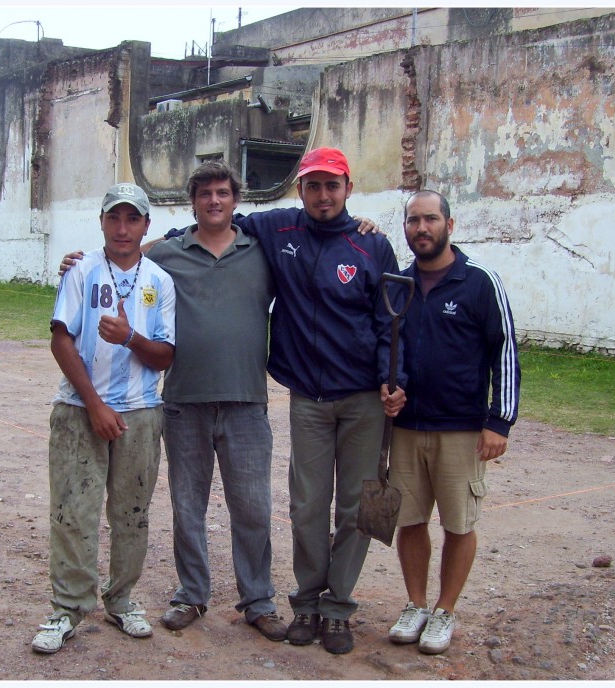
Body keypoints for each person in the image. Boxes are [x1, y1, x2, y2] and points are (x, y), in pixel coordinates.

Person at [58, 162, 287, 642]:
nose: (214, 201)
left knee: (253, 509)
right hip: (184, 401)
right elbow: (125, 256)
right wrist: (78, 263)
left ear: (235, 199)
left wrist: (364, 223)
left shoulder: (261, 252)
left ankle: (259, 600)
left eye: (223, 193)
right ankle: (191, 594)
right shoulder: (169, 253)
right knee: (188, 507)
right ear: (193, 202)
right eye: (205, 194)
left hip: (246, 400)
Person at [214, 148, 406, 655]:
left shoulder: (372, 245)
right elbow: (217, 223)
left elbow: (391, 322)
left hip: (363, 398)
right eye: (314, 185)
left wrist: (394, 379)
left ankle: (338, 608)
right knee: (306, 508)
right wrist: (146, 247)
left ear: (348, 187)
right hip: (309, 399)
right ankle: (305, 603)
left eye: (333, 185)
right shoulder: (279, 230)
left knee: (357, 508)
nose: (324, 195)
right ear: (301, 189)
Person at [31, 183, 176, 654]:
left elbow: (165, 356)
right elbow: (61, 339)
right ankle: (67, 608)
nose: (122, 228)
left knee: (131, 513)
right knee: (73, 511)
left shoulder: (159, 281)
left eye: (132, 219)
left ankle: (122, 599)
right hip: (78, 410)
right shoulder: (81, 272)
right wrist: (93, 404)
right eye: (114, 217)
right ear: (101, 222)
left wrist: (131, 335)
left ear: (146, 226)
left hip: (139, 414)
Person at [383, 189, 520, 655]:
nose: (421, 228)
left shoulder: (479, 282)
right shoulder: (398, 284)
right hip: (407, 428)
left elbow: (505, 350)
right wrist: (389, 386)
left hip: (461, 427)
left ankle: (444, 611)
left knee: (458, 524)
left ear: (449, 225)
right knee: (410, 520)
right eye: (413, 221)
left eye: (430, 220)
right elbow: (388, 349)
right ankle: (415, 604)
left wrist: (499, 420)